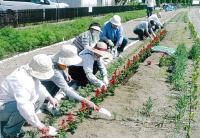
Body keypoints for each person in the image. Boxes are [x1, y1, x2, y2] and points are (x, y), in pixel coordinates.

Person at [0, 54, 58, 137]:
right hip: (3, 107)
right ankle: (9, 132)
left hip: (11, 103)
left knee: (41, 95)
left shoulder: (29, 70)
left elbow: (39, 86)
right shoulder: (21, 80)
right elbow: (23, 106)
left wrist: (50, 98)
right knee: (19, 109)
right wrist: (41, 126)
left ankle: (25, 120)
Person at [41, 45, 97, 115]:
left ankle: (45, 103)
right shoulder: (55, 72)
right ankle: (42, 103)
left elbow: (61, 64)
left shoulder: (53, 57)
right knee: (60, 83)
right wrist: (86, 101)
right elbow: (67, 90)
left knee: (60, 81)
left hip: (46, 79)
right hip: (39, 84)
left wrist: (65, 73)